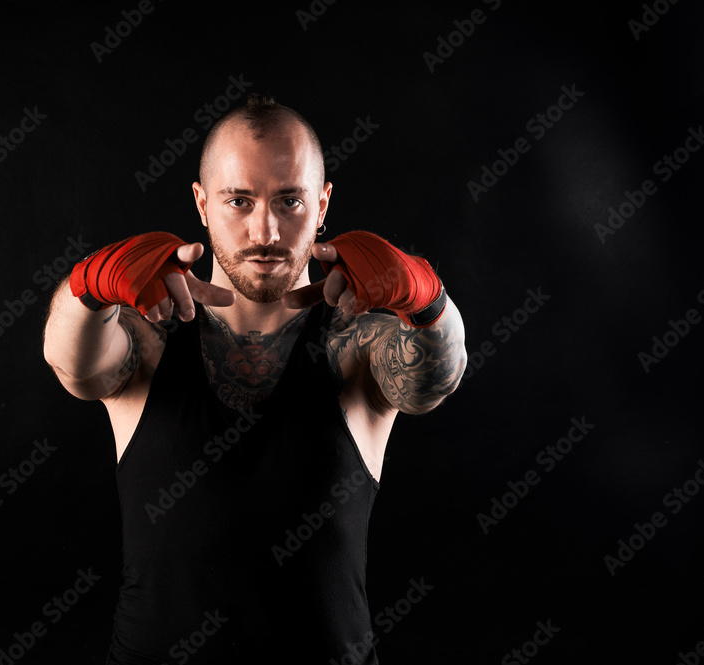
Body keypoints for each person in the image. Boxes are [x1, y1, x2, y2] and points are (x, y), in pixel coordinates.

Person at [42, 93, 467, 664]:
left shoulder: (357, 340)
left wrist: (427, 299)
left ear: (322, 205)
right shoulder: (149, 334)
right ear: (201, 204)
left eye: (288, 200)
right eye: (239, 200)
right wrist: (89, 286)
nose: (264, 230)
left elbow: (434, 380)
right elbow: (74, 365)